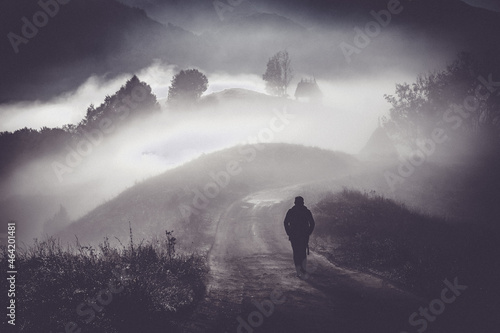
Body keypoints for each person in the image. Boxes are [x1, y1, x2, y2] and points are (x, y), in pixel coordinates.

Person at [283, 196, 315, 279]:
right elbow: (312, 223)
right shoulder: (306, 211)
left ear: (295, 203)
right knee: (302, 253)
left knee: (297, 253)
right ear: (303, 202)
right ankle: (302, 270)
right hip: (303, 235)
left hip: (295, 236)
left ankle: (299, 270)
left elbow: (286, 223)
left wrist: (289, 232)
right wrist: (308, 232)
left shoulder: (291, 211)